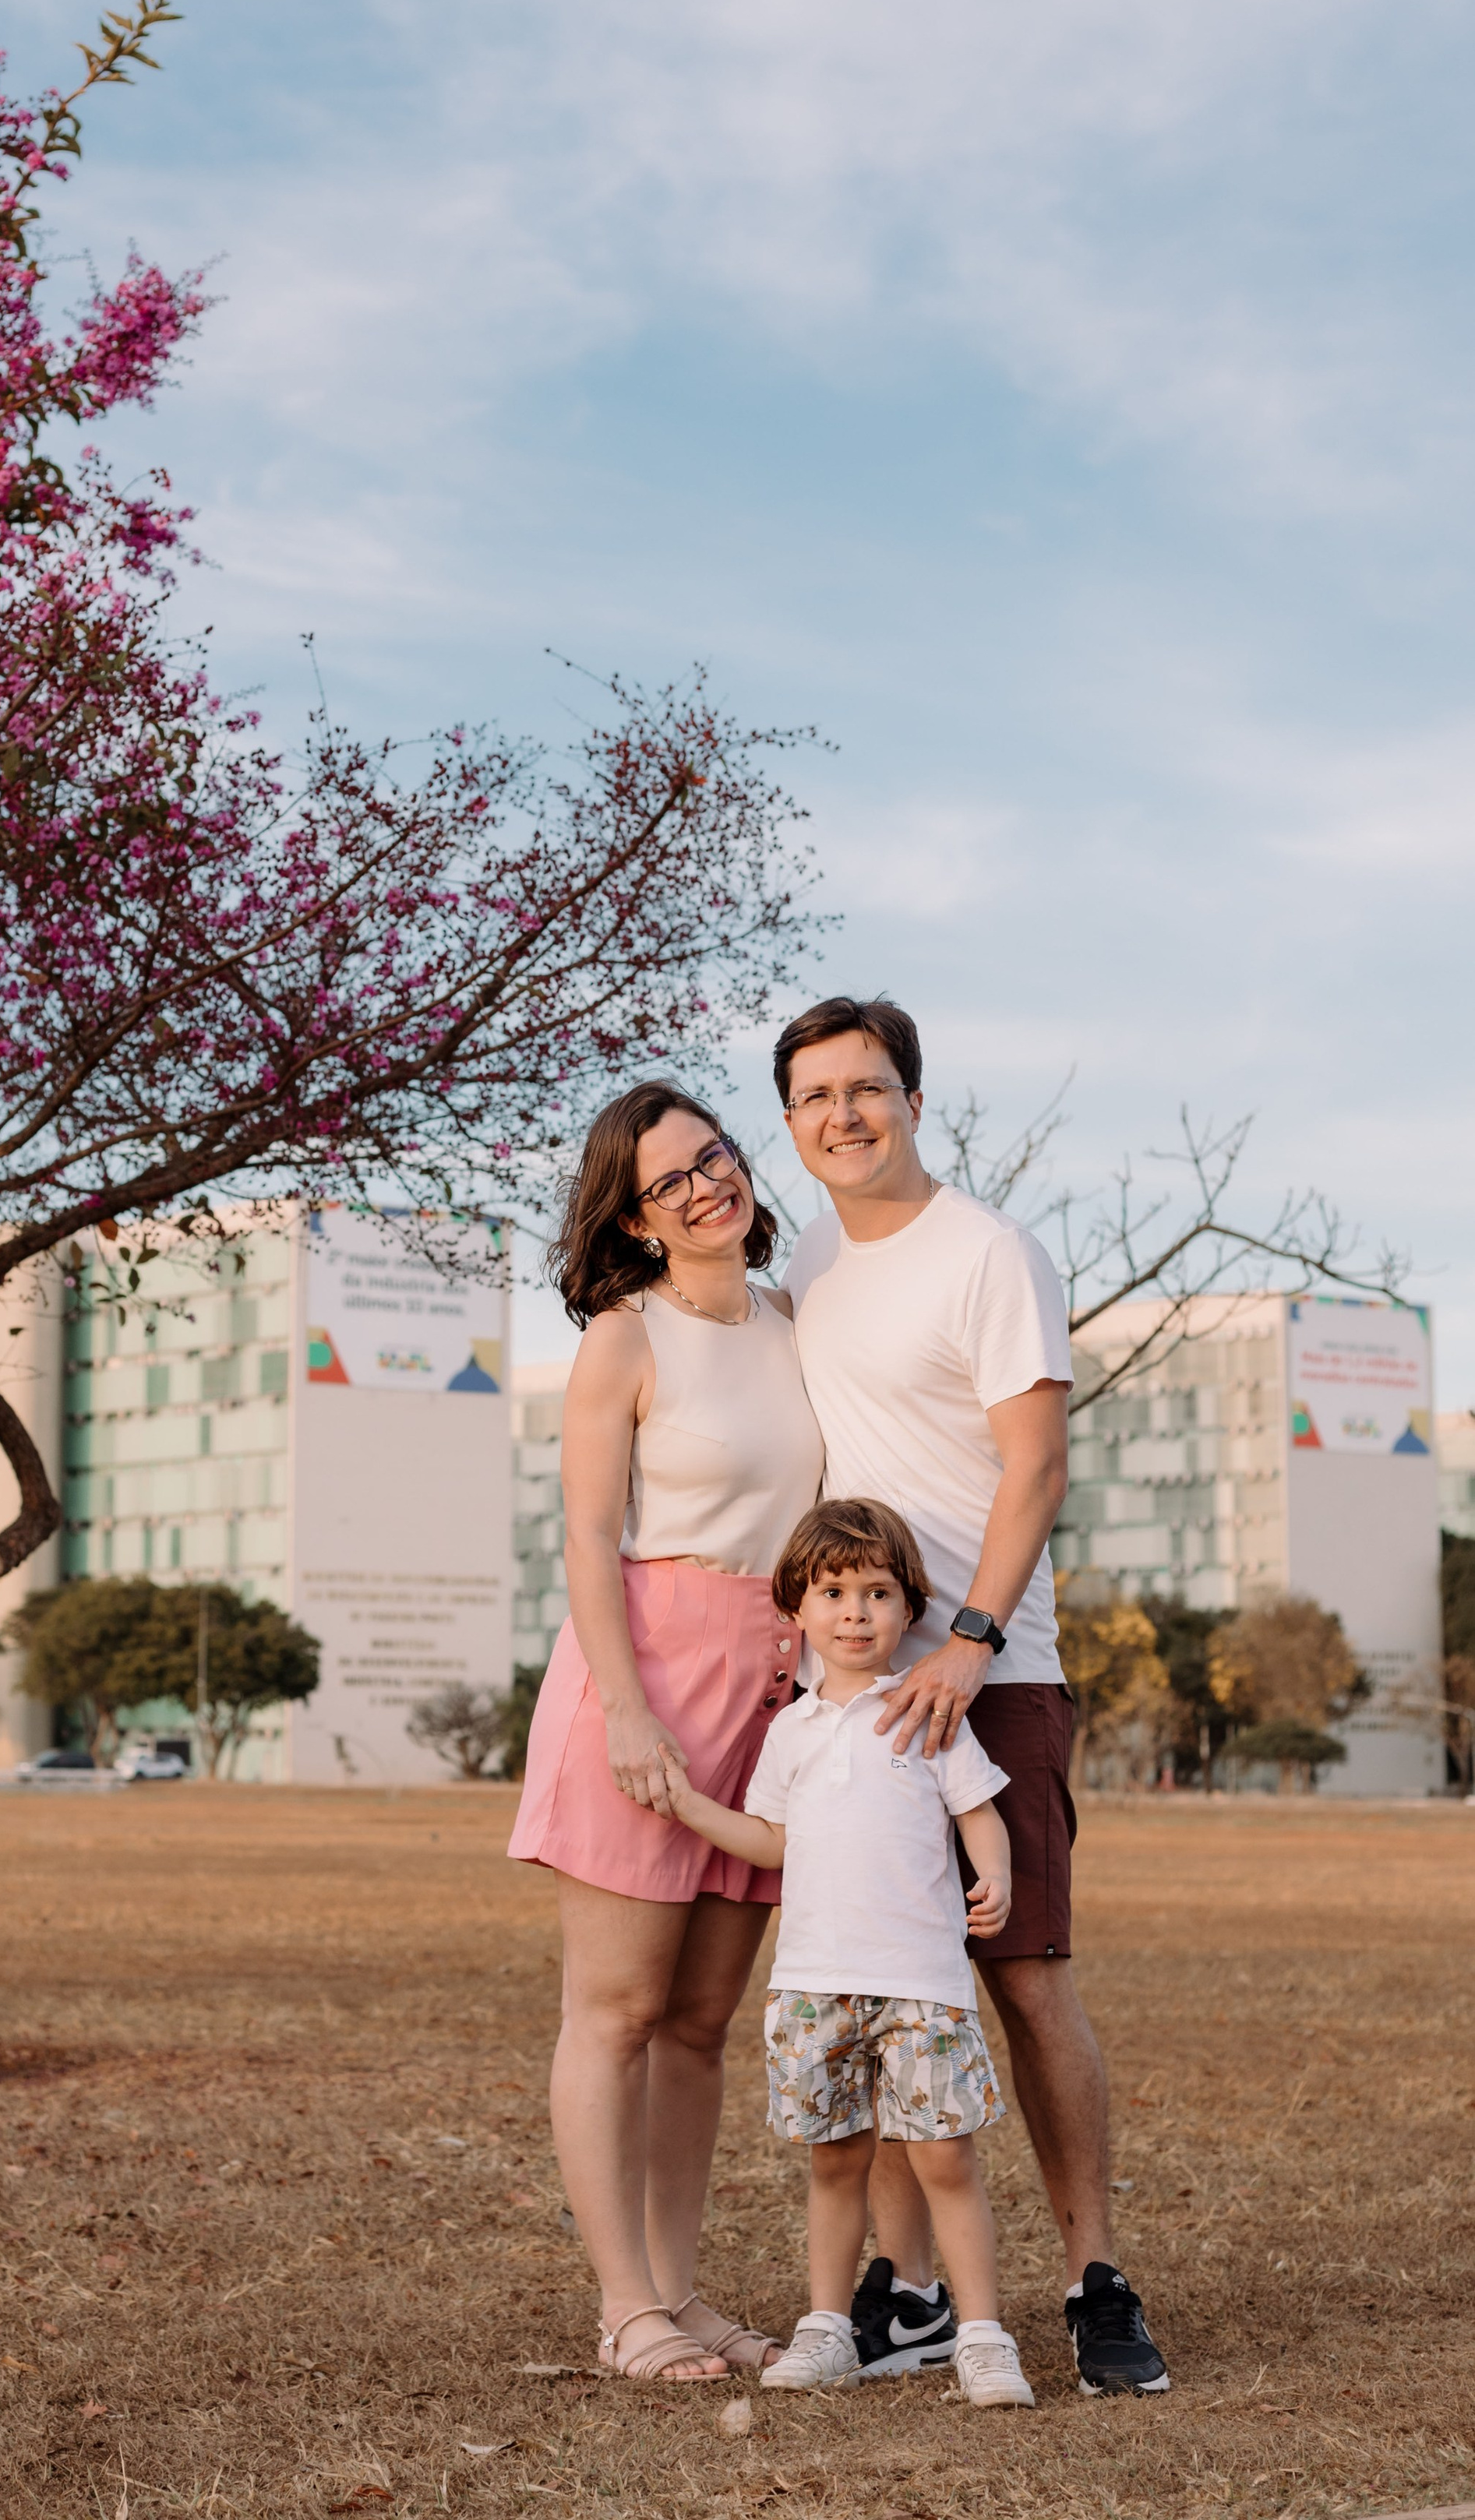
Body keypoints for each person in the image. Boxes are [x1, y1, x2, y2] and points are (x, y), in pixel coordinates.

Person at [772, 992, 1170, 2398]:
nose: (844, 1114)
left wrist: (975, 1639)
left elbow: (1038, 1469)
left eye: (867, 1087)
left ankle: (1094, 2279)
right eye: (815, 1096)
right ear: (791, 1121)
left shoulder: (990, 1250)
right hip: (862, 1686)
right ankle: (914, 2296)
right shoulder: (811, 1254)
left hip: (993, 1674)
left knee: (1027, 1976)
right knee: (877, 1977)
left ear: (916, 1101)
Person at [509, 1081, 825, 2381]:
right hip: (642, 1677)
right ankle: (624, 2306)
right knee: (618, 2011)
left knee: (702, 2020)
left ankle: (682, 2295)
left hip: (771, 1686)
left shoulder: (795, 1323)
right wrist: (629, 1711)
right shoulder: (623, 1340)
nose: (707, 1187)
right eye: (669, 1183)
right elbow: (587, 1537)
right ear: (635, 1223)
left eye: (715, 1157)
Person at [656, 1498, 1036, 2409]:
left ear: (911, 1610)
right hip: (813, 1985)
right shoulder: (789, 1730)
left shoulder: (924, 1709)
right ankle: (825, 2330)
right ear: (796, 1607)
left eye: (877, 1593)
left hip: (919, 1984)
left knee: (944, 2156)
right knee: (835, 2161)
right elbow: (770, 1840)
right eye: (833, 1592)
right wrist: (683, 1806)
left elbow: (976, 1810)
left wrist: (996, 1877)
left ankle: (981, 2338)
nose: (855, 1612)